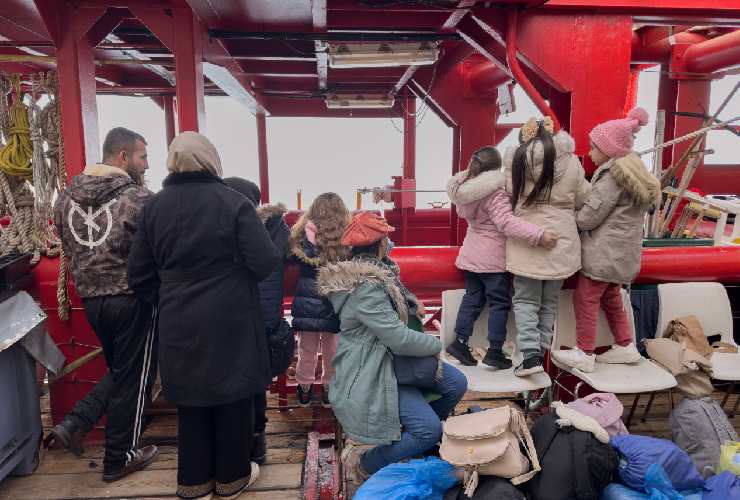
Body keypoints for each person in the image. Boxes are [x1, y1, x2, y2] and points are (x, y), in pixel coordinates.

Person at [127, 132, 280, 499]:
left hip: (179, 316)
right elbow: (264, 261)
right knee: (233, 395)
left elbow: (138, 274)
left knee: (191, 400)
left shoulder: (154, 207)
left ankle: (193, 482)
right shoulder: (233, 203)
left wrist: (168, 296)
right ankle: (232, 478)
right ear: (211, 161)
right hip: (230, 317)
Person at [317, 211, 468, 482]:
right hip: (373, 369)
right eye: (386, 238)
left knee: (456, 383)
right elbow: (398, 338)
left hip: (392, 362)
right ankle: (367, 461)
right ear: (378, 244)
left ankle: (409, 441)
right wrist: (437, 345)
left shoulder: (379, 270)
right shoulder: (366, 286)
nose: (389, 243)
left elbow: (395, 292)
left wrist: (410, 302)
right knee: (428, 430)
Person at [50, 127, 158, 482]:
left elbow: (65, 242)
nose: (147, 163)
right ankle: (118, 456)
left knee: (123, 372)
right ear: (123, 157)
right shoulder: (138, 198)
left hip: (92, 301)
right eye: (143, 156)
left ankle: (80, 423)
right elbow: (155, 246)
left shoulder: (65, 197)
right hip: (130, 299)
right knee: (132, 376)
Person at [552, 108, 661, 373]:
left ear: (609, 149)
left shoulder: (612, 174)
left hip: (604, 252)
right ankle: (626, 345)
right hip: (623, 253)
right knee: (612, 297)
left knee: (585, 298)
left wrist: (569, 216)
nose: (589, 153)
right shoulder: (635, 171)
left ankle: (584, 353)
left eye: (593, 147)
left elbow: (590, 216)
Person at [445, 146, 557, 369]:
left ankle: (460, 341)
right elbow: (505, 222)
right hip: (492, 260)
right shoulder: (495, 192)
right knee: (499, 303)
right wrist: (538, 234)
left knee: (472, 299)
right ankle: (495, 350)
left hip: (471, 255)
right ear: (497, 169)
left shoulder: (467, 191)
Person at [504, 117, 591, 377]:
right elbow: (584, 196)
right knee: (549, 302)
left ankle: (528, 356)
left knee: (526, 300)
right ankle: (539, 355)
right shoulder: (571, 160)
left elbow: (509, 194)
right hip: (561, 240)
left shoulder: (516, 160)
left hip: (528, 237)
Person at [223, 177, 291, 465]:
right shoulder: (277, 228)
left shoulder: (233, 226)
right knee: (257, 382)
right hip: (265, 317)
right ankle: (258, 441)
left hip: (235, 316)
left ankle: (240, 444)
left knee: (233, 384)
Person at [289, 193, 351, 406]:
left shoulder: (303, 233)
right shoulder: (345, 234)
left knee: (307, 347)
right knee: (332, 349)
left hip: (307, 300)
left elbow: (289, 254)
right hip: (333, 299)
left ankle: (304, 386)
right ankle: (328, 386)